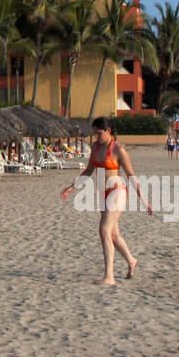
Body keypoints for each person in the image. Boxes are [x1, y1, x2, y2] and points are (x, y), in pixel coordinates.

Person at [60, 116, 151, 286]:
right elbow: (88, 171)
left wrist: (144, 201)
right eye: (94, 134)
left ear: (108, 131)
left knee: (103, 230)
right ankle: (131, 260)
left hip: (117, 191)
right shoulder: (95, 147)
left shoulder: (118, 149)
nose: (96, 137)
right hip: (103, 193)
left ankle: (109, 276)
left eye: (99, 133)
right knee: (114, 235)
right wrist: (71, 187)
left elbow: (131, 175)